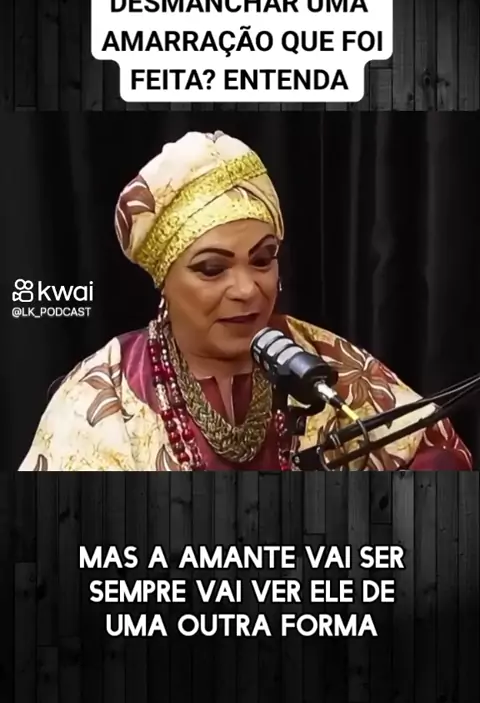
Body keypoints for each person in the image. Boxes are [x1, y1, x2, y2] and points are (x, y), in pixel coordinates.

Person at [19, 131, 472, 472]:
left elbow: (437, 457)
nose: (247, 289)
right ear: (164, 280)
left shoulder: (327, 366)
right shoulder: (103, 396)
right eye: (212, 269)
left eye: (262, 259)